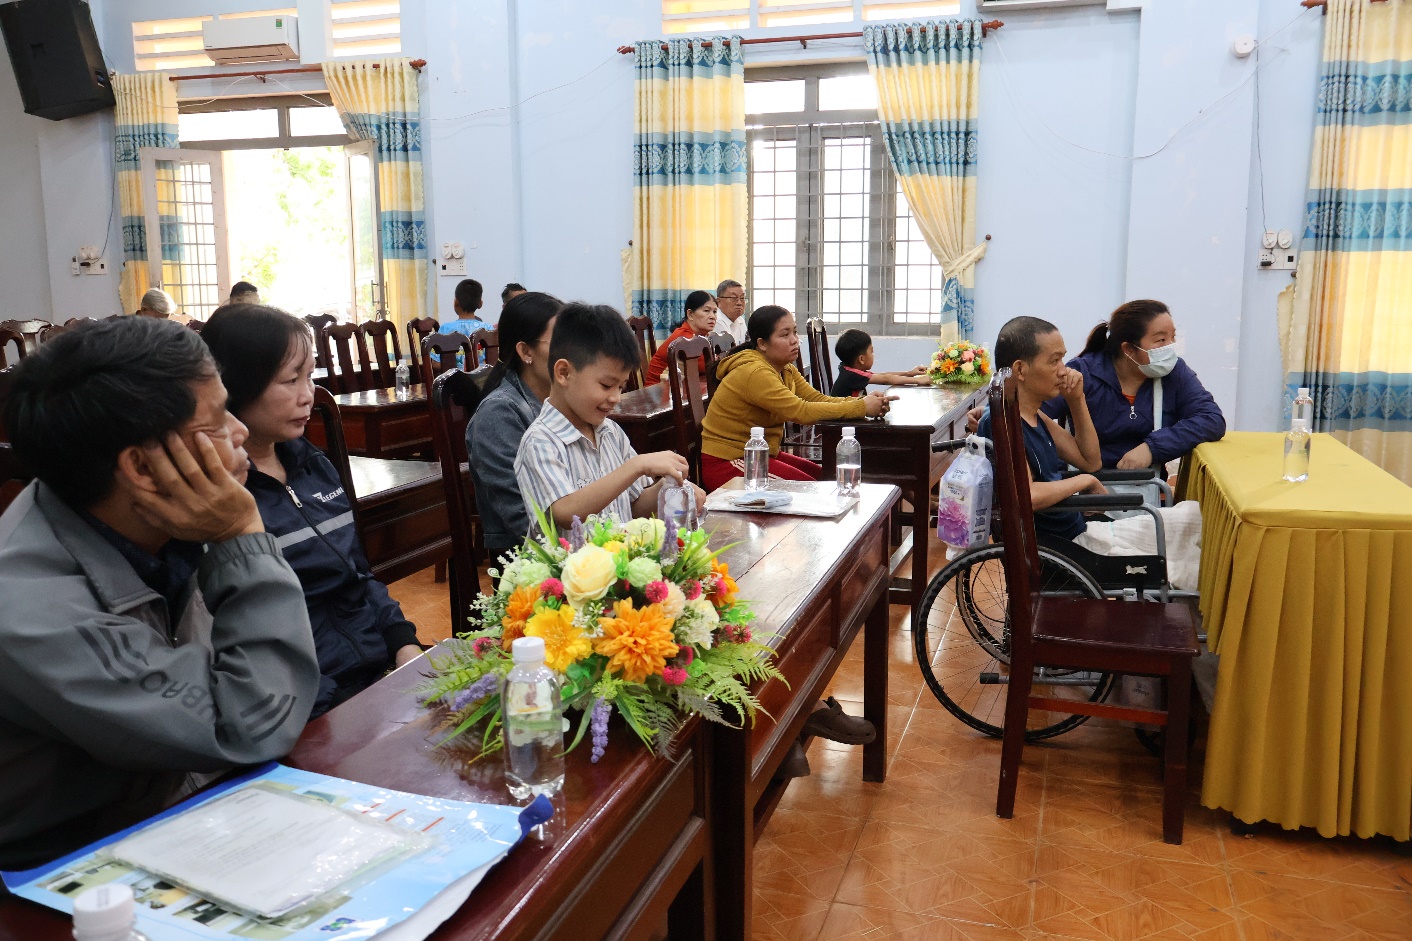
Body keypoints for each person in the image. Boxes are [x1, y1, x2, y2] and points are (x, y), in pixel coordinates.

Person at [0, 317, 319, 869]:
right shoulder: (28, 609)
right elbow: (252, 726)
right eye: (218, 421)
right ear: (144, 467)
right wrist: (242, 536)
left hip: (177, 812)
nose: (240, 431)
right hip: (58, 872)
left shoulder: (148, 516)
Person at [201, 305, 424, 719]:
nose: (308, 395)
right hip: (310, 704)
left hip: (375, 675)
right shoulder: (221, 501)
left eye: (309, 375)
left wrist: (405, 646)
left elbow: (359, 576)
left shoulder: (313, 465)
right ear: (235, 387)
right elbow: (246, 636)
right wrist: (339, 708)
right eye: (291, 380)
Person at [977, 316, 1202, 590]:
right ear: (1020, 369)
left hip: (1081, 529)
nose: (1064, 370)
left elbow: (1090, 461)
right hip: (1069, 546)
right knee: (1188, 563)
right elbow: (1027, 495)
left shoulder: (1033, 415)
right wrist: (1083, 481)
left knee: (1194, 516)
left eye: (1063, 359)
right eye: (1054, 361)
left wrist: (1076, 400)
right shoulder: (1004, 422)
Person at [514, 303, 702, 529]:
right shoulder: (541, 441)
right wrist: (636, 466)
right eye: (606, 385)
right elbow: (564, 513)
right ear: (564, 373)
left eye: (621, 387)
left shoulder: (611, 432)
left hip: (618, 552)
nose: (616, 398)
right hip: (571, 554)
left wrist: (669, 487)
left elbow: (635, 507)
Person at [699, 305, 894, 491]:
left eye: (794, 332)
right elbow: (801, 411)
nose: (794, 340)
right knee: (814, 491)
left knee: (827, 478)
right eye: (785, 335)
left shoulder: (784, 368)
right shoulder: (755, 372)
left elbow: (816, 399)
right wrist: (862, 407)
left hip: (759, 454)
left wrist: (861, 402)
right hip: (728, 463)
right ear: (762, 344)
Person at [1042, 299, 1225, 470]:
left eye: (1173, 337)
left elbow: (1211, 418)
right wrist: (1065, 455)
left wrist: (1152, 448)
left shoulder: (1174, 372)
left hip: (1147, 484)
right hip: (1083, 483)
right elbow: (1033, 415)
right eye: (1161, 340)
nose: (1170, 347)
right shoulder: (1083, 373)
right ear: (1128, 349)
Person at [466, 291, 561, 554]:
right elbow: (526, 521)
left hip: (570, 543)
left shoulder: (559, 401)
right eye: (559, 342)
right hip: (528, 562)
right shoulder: (498, 414)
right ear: (525, 351)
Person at [643, 290, 718, 387]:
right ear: (690, 314)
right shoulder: (684, 337)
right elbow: (706, 365)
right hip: (658, 390)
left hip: (681, 386)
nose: (712, 316)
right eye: (706, 311)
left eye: (715, 312)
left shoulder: (702, 336)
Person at [829, 328, 930, 398]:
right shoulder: (851, 375)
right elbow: (885, 379)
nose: (873, 355)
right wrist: (918, 380)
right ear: (861, 359)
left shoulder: (849, 370)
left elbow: (882, 375)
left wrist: (910, 373)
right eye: (871, 352)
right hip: (843, 421)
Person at [713, 279, 749, 346]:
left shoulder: (740, 320)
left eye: (742, 298)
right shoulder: (715, 320)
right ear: (718, 301)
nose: (739, 303)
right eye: (733, 298)